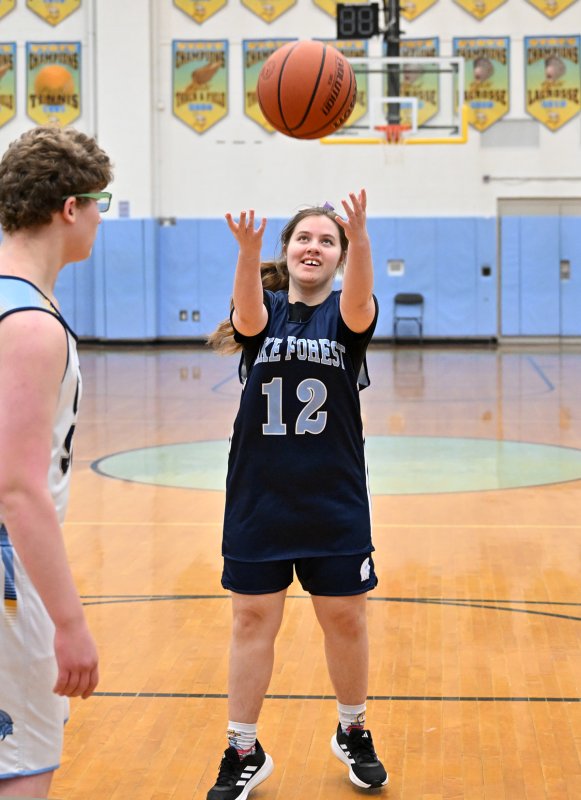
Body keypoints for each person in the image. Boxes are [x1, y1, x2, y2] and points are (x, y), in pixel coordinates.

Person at [206, 189, 387, 799]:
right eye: (304, 238)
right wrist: (248, 252)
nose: (314, 246)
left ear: (338, 259)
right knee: (252, 618)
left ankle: (353, 729)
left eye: (326, 241)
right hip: (259, 499)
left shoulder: (347, 317)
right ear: (287, 250)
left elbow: (361, 299)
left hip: (332, 499)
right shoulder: (265, 316)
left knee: (345, 619)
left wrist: (359, 237)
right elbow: (247, 314)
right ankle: (241, 749)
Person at [0, 126, 113, 798]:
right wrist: (69, 625)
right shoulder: (31, 325)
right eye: (99, 202)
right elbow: (16, 490)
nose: (102, 218)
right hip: (9, 578)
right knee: (23, 773)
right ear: (69, 206)